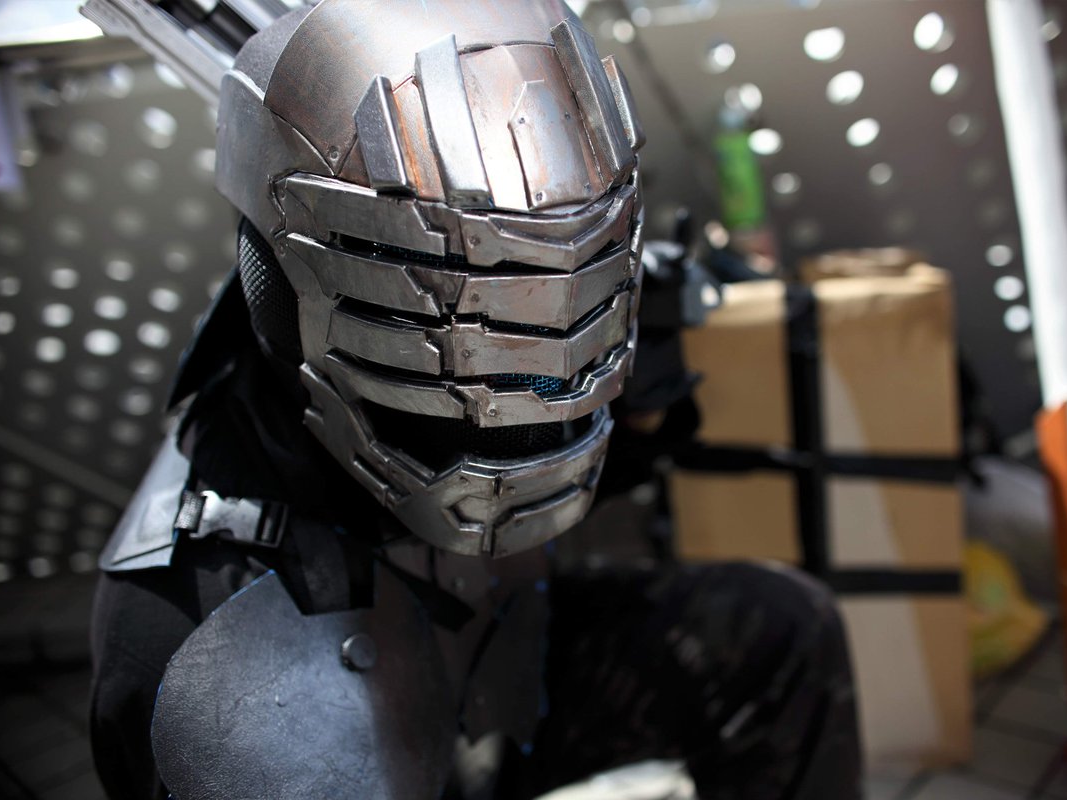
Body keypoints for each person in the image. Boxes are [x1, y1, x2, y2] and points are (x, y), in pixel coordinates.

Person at [83, 1, 863, 797]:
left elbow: (514, 468)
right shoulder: (205, 663)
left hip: (498, 654)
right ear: (286, 285)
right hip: (328, 697)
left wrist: (630, 392)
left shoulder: (408, 336)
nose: (521, 378)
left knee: (780, 631)